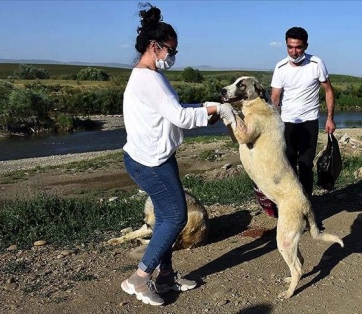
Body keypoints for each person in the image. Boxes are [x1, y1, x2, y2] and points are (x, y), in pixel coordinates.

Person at [120, 4, 235, 306]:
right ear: (154, 46)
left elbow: (173, 112)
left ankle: (167, 276)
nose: (173, 56)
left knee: (165, 218)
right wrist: (216, 109)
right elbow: (181, 118)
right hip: (151, 162)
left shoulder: (149, 75)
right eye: (172, 50)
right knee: (175, 216)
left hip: (153, 156)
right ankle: (139, 279)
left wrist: (204, 108)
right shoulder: (149, 79)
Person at [270, 26, 336, 198]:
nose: (294, 51)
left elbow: (328, 91)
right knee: (288, 164)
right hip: (287, 122)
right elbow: (275, 98)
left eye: (298, 47)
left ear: (306, 46)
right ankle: (292, 205)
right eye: (290, 47)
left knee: (306, 164)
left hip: (309, 121)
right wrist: (270, 124)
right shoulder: (280, 67)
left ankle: (307, 204)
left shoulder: (316, 63)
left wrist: (330, 118)